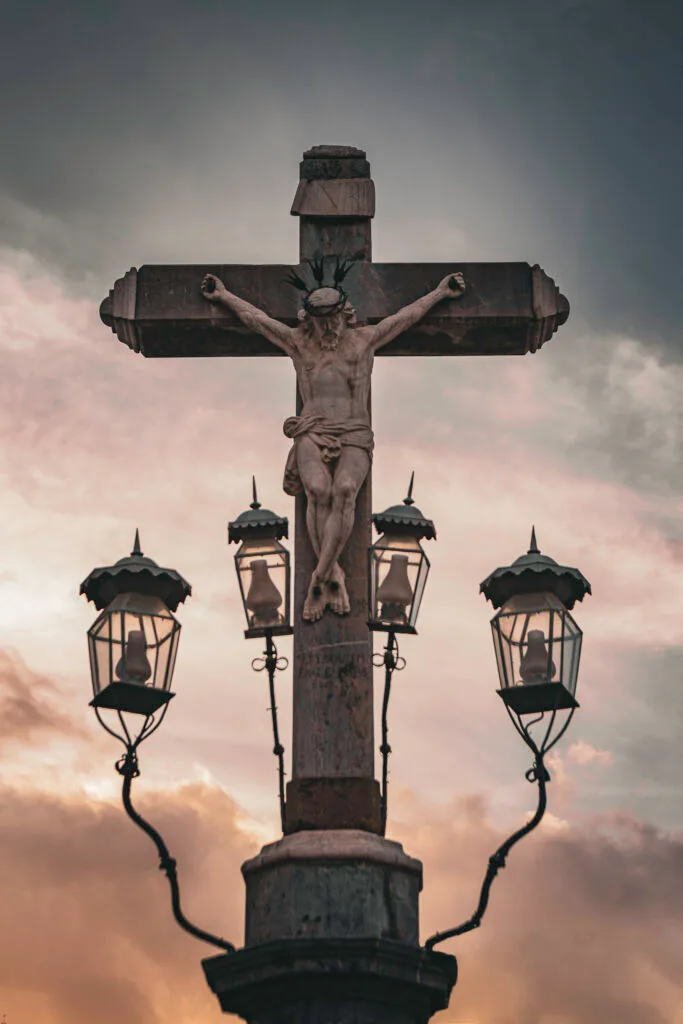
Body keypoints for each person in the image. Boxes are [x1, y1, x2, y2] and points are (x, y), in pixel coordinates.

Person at [201, 269, 465, 621]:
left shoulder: (365, 341)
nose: (327, 329)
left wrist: (439, 293)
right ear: (309, 319)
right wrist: (223, 297)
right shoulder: (299, 342)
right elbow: (257, 320)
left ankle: (319, 577)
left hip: (354, 430)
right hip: (313, 428)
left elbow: (407, 317)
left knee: (343, 489)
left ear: (344, 315)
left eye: (332, 320)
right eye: (320, 321)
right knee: (317, 490)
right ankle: (333, 573)